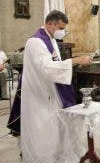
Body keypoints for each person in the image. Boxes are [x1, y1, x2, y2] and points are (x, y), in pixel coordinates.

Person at [20, 10, 92, 162]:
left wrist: (71, 64)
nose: (62, 32)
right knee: (45, 133)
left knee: (57, 130)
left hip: (52, 91)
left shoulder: (50, 39)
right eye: (60, 28)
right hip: (40, 95)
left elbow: (55, 65)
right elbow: (48, 68)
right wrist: (75, 61)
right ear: (49, 24)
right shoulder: (36, 42)